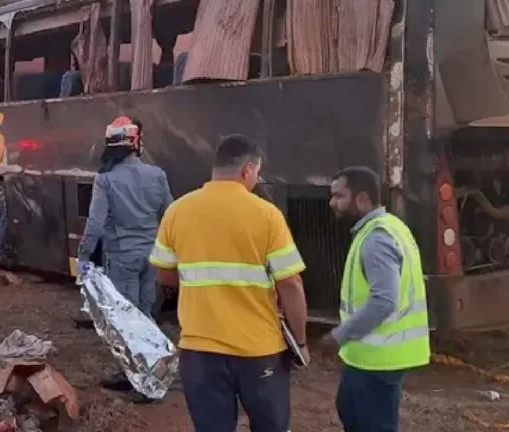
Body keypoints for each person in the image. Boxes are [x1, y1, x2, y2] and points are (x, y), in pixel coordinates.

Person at [150, 134, 308, 432]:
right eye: (256, 173)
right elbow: (291, 284)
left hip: (199, 352)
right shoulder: (266, 215)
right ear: (247, 170)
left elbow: (164, 274)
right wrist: (299, 341)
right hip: (260, 353)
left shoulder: (178, 211)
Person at [320, 166, 430, 432]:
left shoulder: (377, 238)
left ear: (362, 199)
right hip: (370, 357)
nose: (332, 203)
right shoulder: (388, 227)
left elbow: (384, 300)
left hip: (378, 360)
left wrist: (339, 335)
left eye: (339, 196)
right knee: (349, 409)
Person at [76, 116, 173, 391]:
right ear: (134, 143)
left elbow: (94, 224)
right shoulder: (157, 175)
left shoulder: (105, 180)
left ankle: (142, 382)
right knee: (144, 315)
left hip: (122, 259)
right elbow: (170, 213)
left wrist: (83, 259)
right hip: (152, 258)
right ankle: (146, 375)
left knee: (127, 323)